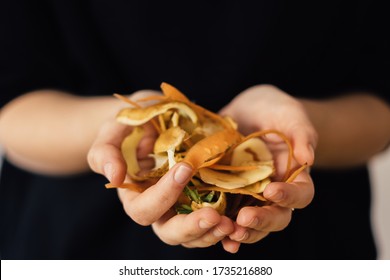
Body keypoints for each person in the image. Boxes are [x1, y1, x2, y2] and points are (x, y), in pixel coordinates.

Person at [0, 0, 389, 259]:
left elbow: (379, 107)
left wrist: (304, 125)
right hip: (74, 247)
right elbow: (14, 109)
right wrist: (118, 129)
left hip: (312, 248)